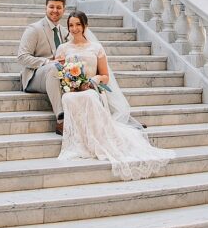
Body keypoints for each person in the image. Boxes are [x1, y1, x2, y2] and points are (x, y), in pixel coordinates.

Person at [54, 10, 174, 180]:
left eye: (78, 24)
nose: (74, 28)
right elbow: (59, 73)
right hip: (72, 90)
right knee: (67, 97)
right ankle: (80, 142)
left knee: (89, 96)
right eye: (71, 25)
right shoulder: (63, 48)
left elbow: (105, 76)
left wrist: (92, 81)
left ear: (85, 26)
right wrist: (71, 82)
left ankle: (98, 140)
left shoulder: (96, 48)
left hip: (92, 89)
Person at [17, 0, 69, 135]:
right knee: (53, 67)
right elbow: (22, 57)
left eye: (58, 7)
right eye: (51, 7)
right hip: (34, 77)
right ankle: (61, 121)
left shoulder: (65, 32)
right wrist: (48, 61)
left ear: (64, 10)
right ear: (45, 7)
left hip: (58, 75)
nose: (55, 11)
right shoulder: (34, 29)